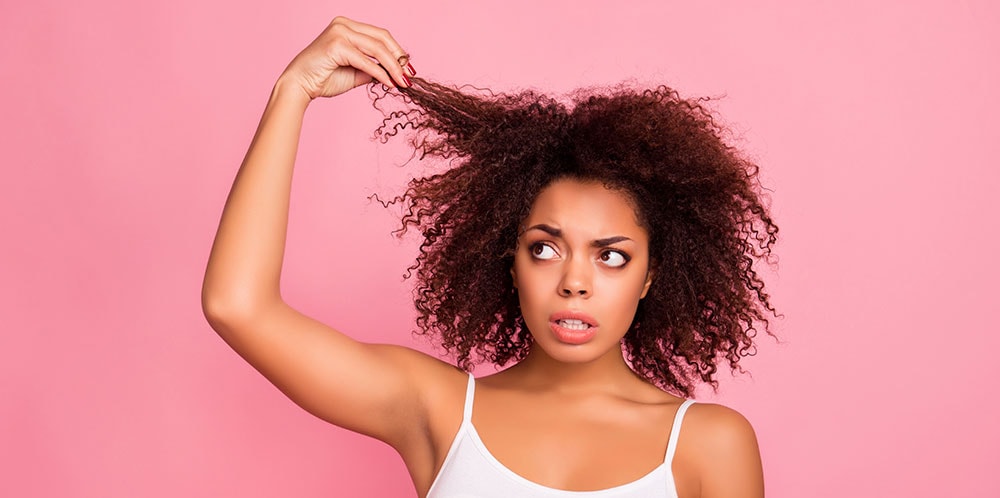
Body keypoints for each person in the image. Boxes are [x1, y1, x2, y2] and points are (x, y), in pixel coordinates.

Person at [203, 16, 777, 498]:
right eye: (545, 249)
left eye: (611, 257)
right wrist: (293, 90)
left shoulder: (707, 444)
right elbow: (237, 305)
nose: (575, 281)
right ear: (510, 262)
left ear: (651, 276)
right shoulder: (441, 412)